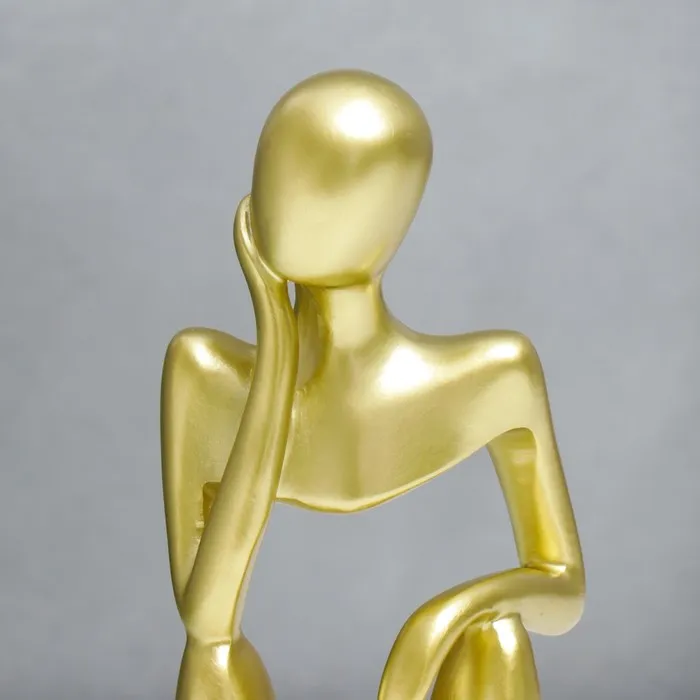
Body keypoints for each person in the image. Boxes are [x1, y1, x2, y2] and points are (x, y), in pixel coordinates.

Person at [161, 69, 585, 700]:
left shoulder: (496, 374)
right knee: (211, 666)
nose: (283, 200)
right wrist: (276, 345)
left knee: (496, 636)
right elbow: (206, 624)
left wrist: (438, 623)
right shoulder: (201, 373)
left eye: (328, 178)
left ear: (393, 215)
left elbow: (563, 590)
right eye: (277, 168)